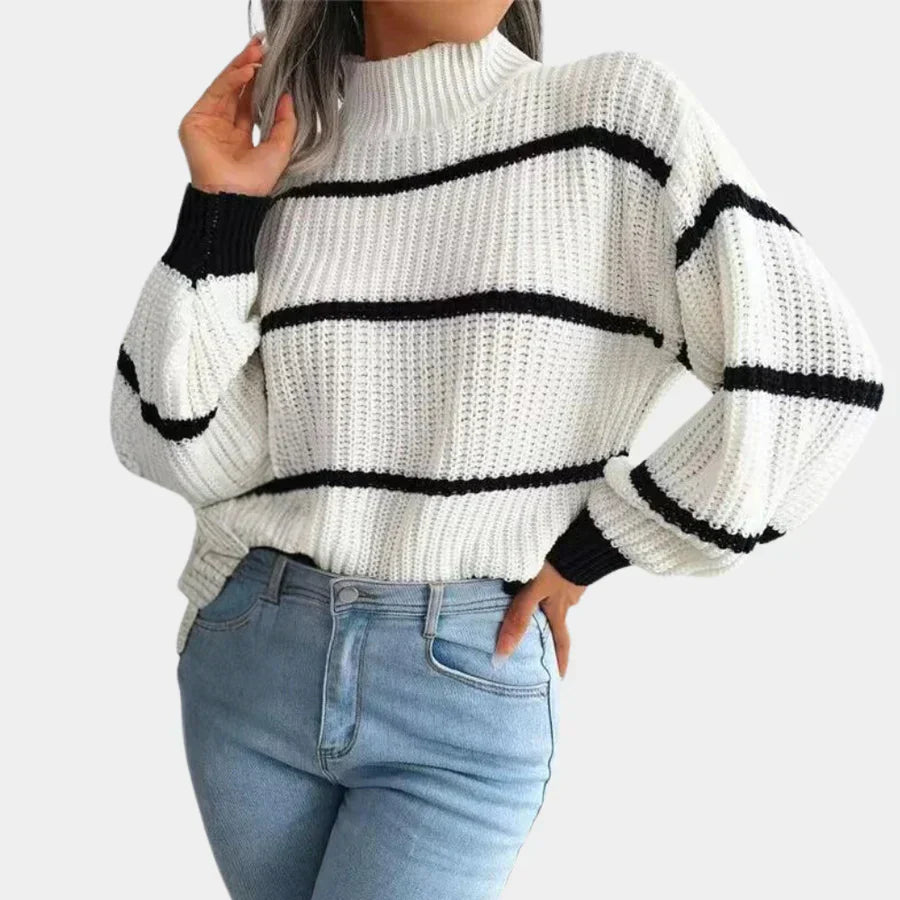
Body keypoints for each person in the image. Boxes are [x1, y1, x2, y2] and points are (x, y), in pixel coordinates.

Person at [108, 1, 885, 897]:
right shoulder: (292, 160)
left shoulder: (612, 119)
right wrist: (221, 212)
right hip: (250, 663)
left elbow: (817, 379)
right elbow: (176, 448)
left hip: (461, 683)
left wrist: (603, 544)